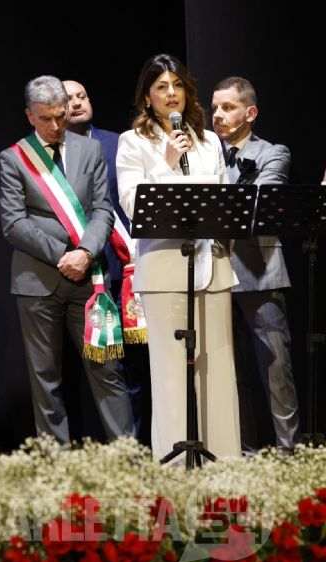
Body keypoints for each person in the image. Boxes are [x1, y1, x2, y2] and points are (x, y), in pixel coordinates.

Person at [116, 53, 240, 460]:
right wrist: (166, 164)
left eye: (178, 85)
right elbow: (133, 205)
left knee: (217, 370)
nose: (172, 93)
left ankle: (224, 464)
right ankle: (174, 468)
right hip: (165, 269)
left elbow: (224, 201)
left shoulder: (209, 141)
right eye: (161, 87)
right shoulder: (133, 142)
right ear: (147, 97)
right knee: (170, 373)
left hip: (212, 267)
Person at [0, 75, 133, 444]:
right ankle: (56, 465)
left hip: (90, 278)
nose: (56, 126)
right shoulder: (14, 158)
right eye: (46, 119)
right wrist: (64, 257)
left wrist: (86, 253)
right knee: (46, 378)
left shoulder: (89, 150)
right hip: (38, 281)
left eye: (60, 116)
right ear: (30, 115)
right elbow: (14, 224)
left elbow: (103, 210)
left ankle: (127, 457)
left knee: (108, 370)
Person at [211, 76, 299, 451]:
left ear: (250, 113)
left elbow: (261, 203)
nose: (218, 115)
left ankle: (288, 452)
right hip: (213, 273)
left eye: (228, 107)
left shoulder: (272, 152)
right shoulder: (203, 154)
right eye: (215, 108)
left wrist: (213, 204)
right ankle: (241, 453)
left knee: (275, 367)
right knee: (229, 371)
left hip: (259, 271)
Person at [64, 79, 151, 437]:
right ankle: (116, 448)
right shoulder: (51, 154)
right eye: (68, 99)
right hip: (83, 273)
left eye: (82, 96)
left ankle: (143, 445)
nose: (77, 103)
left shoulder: (119, 143)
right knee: (104, 369)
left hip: (126, 268)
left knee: (137, 367)